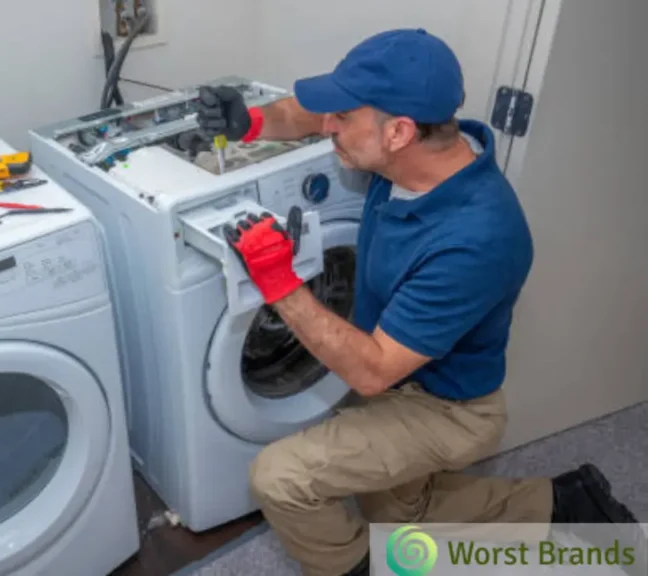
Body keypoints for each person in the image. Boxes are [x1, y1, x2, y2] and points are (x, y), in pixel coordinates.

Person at [196, 28, 640, 576]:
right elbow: (310, 115)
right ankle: (561, 501)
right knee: (405, 513)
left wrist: (279, 283)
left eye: (343, 118)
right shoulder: (410, 154)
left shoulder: (479, 236)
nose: (327, 127)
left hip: (445, 408)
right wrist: (251, 123)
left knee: (280, 477)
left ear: (400, 131)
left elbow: (373, 373)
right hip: (402, 373)